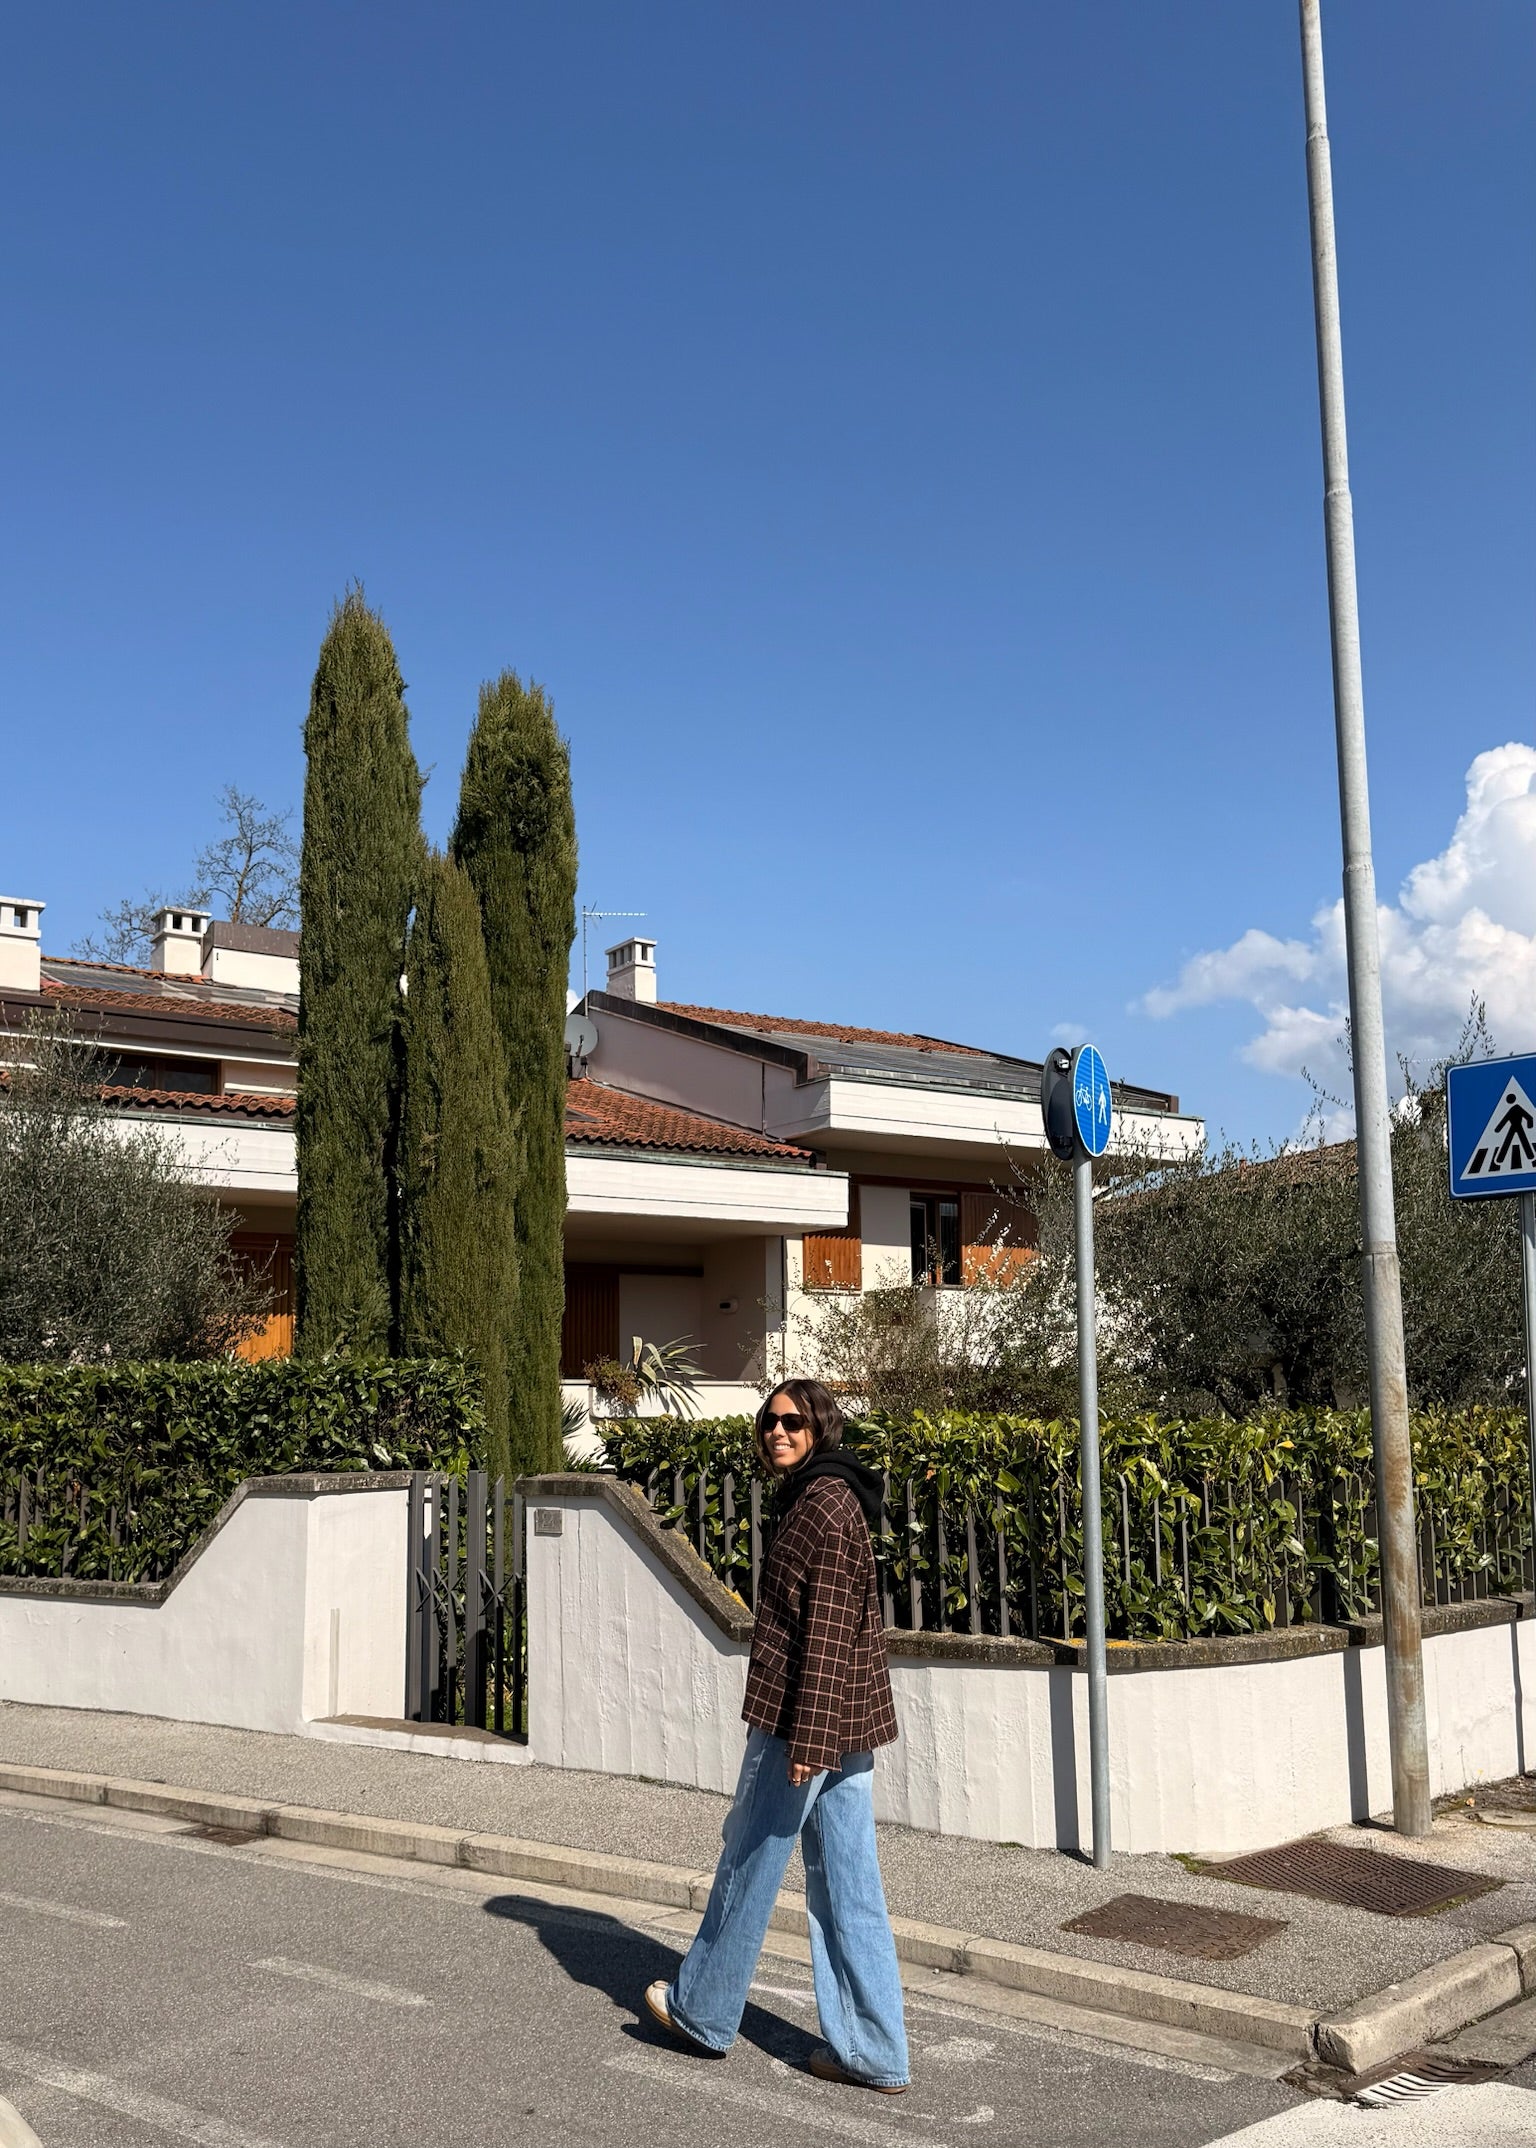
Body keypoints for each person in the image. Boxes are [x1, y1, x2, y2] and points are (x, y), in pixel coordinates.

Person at [643, 1377, 909, 2094]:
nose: (777, 1432)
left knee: (749, 1864)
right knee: (849, 1885)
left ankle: (701, 2009)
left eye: (792, 1421)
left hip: (805, 1725)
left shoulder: (822, 1507)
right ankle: (875, 2050)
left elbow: (824, 1636)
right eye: (768, 1421)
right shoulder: (827, 1497)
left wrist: (807, 1746)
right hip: (844, 1724)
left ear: (820, 1427)